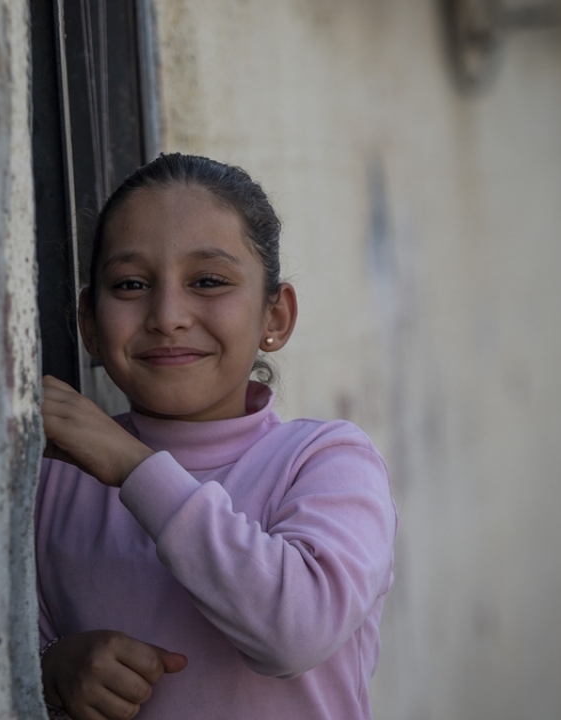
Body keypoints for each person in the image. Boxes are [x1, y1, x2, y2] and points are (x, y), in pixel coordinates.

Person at [37, 153, 397, 720]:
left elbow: (294, 633)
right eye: (130, 284)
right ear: (88, 322)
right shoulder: (53, 479)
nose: (168, 315)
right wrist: (53, 670)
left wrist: (135, 467)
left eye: (208, 281)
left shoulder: (327, 462)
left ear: (274, 317)